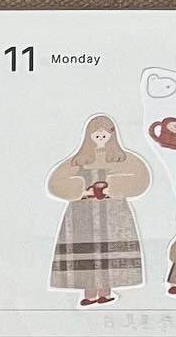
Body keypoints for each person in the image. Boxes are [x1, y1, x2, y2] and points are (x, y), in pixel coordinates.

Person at [46, 114, 151, 306]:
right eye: (96, 136)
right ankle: (89, 293)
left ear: (112, 136)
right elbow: (56, 183)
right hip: (81, 214)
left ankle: (105, 292)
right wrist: (82, 190)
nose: (101, 139)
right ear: (89, 136)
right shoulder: (78, 161)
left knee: (110, 252)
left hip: (114, 213)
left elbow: (141, 178)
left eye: (104, 136)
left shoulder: (123, 159)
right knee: (86, 254)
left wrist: (113, 187)